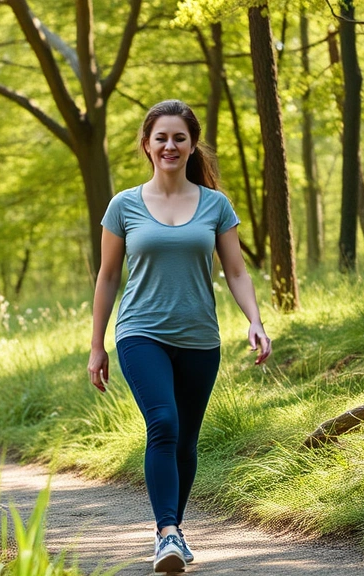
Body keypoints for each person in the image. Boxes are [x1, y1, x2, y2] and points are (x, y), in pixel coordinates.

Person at [87, 99, 272, 574]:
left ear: (192, 146)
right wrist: (96, 344)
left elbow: (236, 270)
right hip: (140, 333)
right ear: (147, 145)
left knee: (186, 439)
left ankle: (176, 532)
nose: (170, 145)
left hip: (199, 338)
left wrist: (254, 319)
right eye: (161, 137)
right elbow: (107, 277)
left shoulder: (215, 204)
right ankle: (166, 533)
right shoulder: (123, 205)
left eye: (179, 138)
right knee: (164, 424)